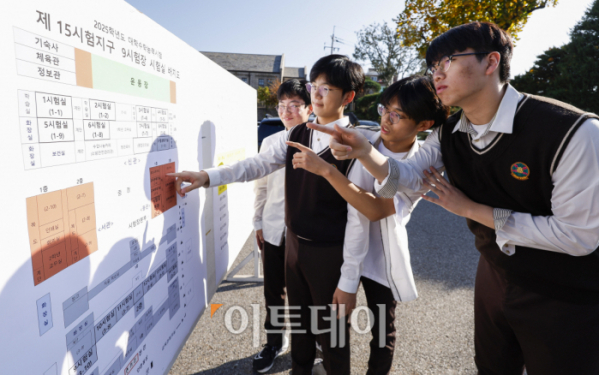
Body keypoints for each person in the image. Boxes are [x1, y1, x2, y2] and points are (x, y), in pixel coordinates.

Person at [310, 22, 599, 375]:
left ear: (491, 63)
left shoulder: (574, 132)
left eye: (447, 62)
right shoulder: (449, 133)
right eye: (433, 67)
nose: (436, 74)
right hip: (493, 273)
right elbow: (410, 177)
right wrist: (363, 152)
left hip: (562, 290)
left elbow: (580, 236)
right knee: (492, 366)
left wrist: (473, 210)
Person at [169, 54, 378, 375]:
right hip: (294, 247)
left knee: (334, 337)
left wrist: (349, 279)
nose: (317, 94)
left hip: (330, 254)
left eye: (327, 88)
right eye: (314, 86)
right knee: (299, 326)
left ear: (348, 97)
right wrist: (207, 176)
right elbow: (256, 165)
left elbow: (359, 218)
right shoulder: (295, 136)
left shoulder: (358, 144)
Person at [288, 75, 449, 375]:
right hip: (345, 247)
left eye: (397, 115)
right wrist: (336, 145)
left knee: (382, 333)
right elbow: (354, 217)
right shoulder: (369, 137)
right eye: (385, 108)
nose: (386, 120)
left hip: (381, 256)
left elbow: (370, 212)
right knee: (335, 321)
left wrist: (328, 171)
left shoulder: (423, 166)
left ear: (424, 125)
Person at [251, 79, 312, 373]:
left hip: (310, 233)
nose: (287, 111)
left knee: (312, 293)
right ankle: (275, 341)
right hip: (274, 227)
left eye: (295, 105)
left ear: (309, 109)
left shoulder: (322, 142)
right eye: (282, 105)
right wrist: (257, 222)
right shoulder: (270, 142)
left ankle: (315, 345)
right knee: (274, 291)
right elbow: (261, 187)